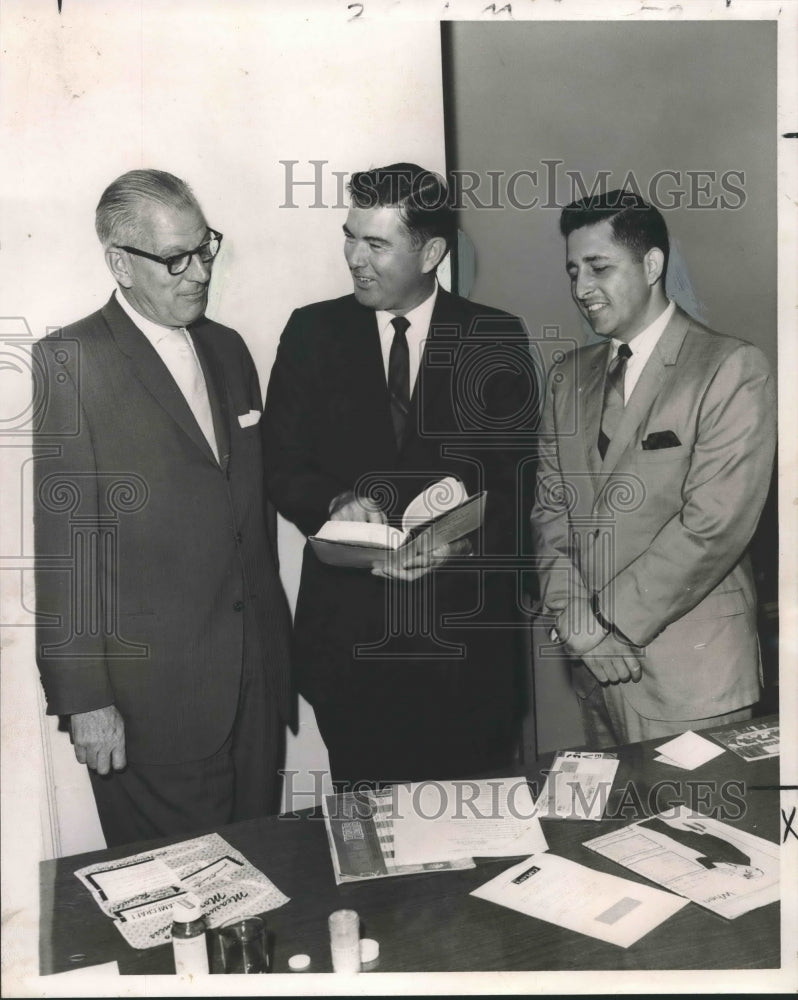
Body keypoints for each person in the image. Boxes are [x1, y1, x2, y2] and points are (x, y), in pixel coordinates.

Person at [33, 169, 293, 847]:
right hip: (154, 708)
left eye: (204, 248)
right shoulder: (71, 360)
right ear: (120, 263)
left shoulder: (229, 349)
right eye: (176, 258)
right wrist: (86, 701)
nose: (200, 272)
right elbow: (65, 550)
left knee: (264, 873)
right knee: (179, 892)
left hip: (255, 690)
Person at [263, 162, 537, 788]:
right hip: (350, 655)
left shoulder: (494, 336)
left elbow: (516, 482)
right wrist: (334, 501)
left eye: (376, 244)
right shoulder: (311, 331)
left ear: (431, 253)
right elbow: (280, 461)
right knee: (370, 835)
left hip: (465, 657)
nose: (354, 258)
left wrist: (461, 543)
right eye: (350, 237)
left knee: (472, 831)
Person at [531, 190, 776, 748]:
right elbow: (550, 515)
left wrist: (604, 624)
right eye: (573, 271)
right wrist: (577, 624)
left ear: (651, 264)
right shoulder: (566, 377)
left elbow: (712, 527)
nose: (581, 288)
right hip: (595, 672)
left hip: (692, 680)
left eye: (598, 267)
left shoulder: (730, 368)